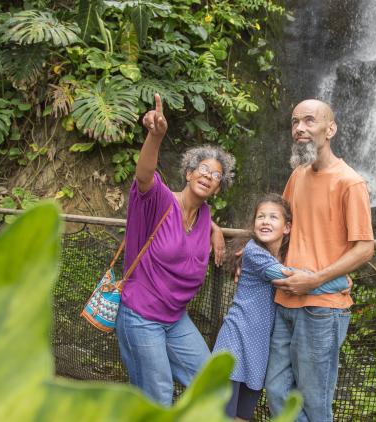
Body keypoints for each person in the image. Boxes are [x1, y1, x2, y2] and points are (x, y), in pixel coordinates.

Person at [115, 93, 234, 406]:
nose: (209, 176)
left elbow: (194, 220)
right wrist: (156, 136)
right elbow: (144, 176)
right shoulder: (159, 201)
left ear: (218, 188)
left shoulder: (205, 215)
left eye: (216, 175)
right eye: (203, 170)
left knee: (210, 385)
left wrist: (215, 227)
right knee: (158, 396)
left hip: (175, 318)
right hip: (142, 316)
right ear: (189, 173)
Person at [265, 99, 375, 421]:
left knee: (315, 402)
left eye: (309, 121)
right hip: (286, 299)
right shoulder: (297, 176)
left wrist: (315, 278)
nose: (299, 128)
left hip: (321, 308)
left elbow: (364, 248)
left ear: (330, 129)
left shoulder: (350, 182)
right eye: (295, 122)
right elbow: (279, 227)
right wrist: (254, 252)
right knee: (276, 392)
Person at [213, 194, 350, 421]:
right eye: (261, 217)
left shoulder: (285, 257)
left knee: (242, 416)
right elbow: (295, 281)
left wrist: (329, 277)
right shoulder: (255, 253)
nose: (265, 221)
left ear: (287, 227)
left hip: (259, 349)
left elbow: (305, 274)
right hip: (235, 340)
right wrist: (340, 281)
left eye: (273, 217)